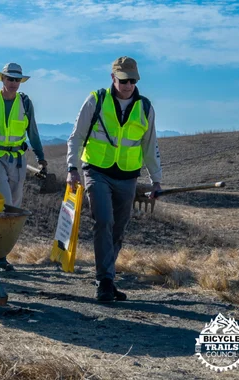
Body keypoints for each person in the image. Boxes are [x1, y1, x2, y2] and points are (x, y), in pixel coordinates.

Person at [66, 56, 162, 303]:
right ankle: (104, 281)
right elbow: (76, 137)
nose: (128, 85)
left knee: (118, 230)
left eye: (132, 80)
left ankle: (107, 277)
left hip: (127, 177)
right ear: (113, 78)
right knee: (104, 221)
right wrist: (72, 168)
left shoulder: (145, 108)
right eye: (123, 80)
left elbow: (150, 146)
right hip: (96, 171)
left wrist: (156, 180)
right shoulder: (96, 100)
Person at [0, 63, 47, 272]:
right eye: (10, 79)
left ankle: (0, 255)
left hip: (19, 160)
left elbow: (33, 131)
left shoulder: (25, 102)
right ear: (2, 79)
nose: (13, 83)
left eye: (17, 80)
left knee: (13, 207)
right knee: (3, 202)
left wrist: (41, 158)